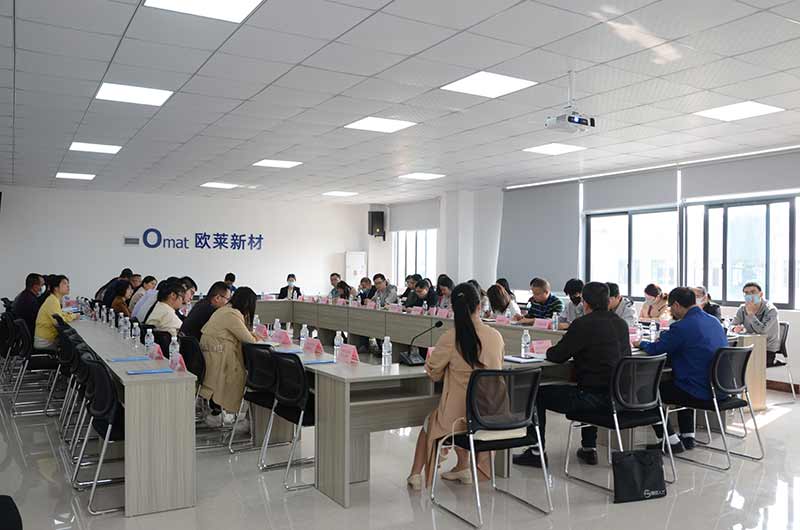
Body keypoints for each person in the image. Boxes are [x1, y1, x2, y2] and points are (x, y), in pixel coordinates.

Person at [514, 282, 629, 467]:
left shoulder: (583, 324)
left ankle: (536, 452)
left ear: (585, 303)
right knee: (590, 384)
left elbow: (558, 355)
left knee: (536, 393)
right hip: (619, 397)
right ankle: (588, 447)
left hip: (591, 398)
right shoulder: (621, 324)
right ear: (608, 301)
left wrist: (547, 349)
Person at [407, 282, 505, 490]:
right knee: (458, 418)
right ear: (479, 306)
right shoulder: (496, 336)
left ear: (453, 309)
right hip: (490, 413)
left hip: (458, 418)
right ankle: (462, 467)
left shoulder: (451, 337)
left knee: (429, 424)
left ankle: (415, 475)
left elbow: (433, 373)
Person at [635, 287, 729, 453]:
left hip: (699, 390)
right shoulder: (714, 321)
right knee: (682, 380)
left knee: (645, 391)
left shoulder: (682, 327)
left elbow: (657, 349)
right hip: (719, 388)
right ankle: (688, 436)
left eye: (671, 307)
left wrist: (640, 343)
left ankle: (671, 441)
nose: (671, 311)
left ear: (677, 305)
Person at [199, 287, 260, 427]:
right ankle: (224, 411)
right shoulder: (232, 314)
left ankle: (219, 411)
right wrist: (257, 337)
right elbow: (249, 339)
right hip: (218, 353)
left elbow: (243, 333)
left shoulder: (225, 310)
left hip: (212, 352)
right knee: (238, 374)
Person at [732, 282, 781, 367]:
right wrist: (734, 328)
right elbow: (731, 325)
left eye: (753, 292)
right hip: (747, 346)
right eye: (746, 293)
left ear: (761, 294)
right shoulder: (742, 308)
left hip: (766, 350)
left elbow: (762, 331)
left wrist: (751, 314)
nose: (750, 295)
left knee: (744, 365)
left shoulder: (771, 310)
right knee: (729, 360)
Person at [34, 275, 78, 350]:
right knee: (74, 345)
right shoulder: (52, 301)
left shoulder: (53, 299)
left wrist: (71, 315)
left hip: (46, 339)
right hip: (45, 342)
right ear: (56, 288)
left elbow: (60, 315)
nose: (68, 286)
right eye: (64, 283)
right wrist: (74, 316)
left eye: (68, 284)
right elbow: (59, 322)